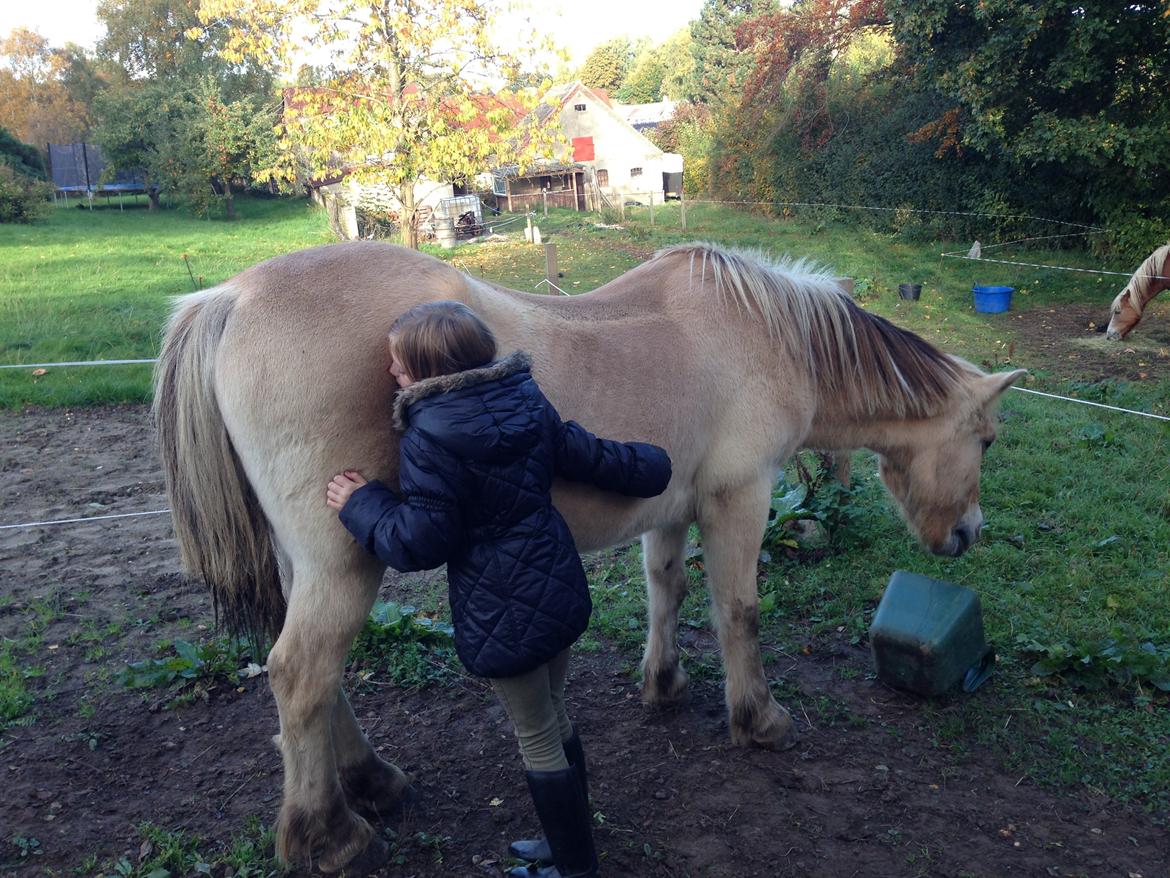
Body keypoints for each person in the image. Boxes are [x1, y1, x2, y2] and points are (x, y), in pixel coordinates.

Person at [326, 301, 672, 878]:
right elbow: (586, 455)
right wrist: (652, 465)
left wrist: (361, 504)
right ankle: (567, 844)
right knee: (556, 715)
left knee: (536, 735)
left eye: (397, 362)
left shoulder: (427, 434)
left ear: (428, 367)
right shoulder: (525, 399)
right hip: (555, 582)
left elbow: (421, 542)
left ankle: (575, 868)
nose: (390, 373)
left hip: (498, 606)